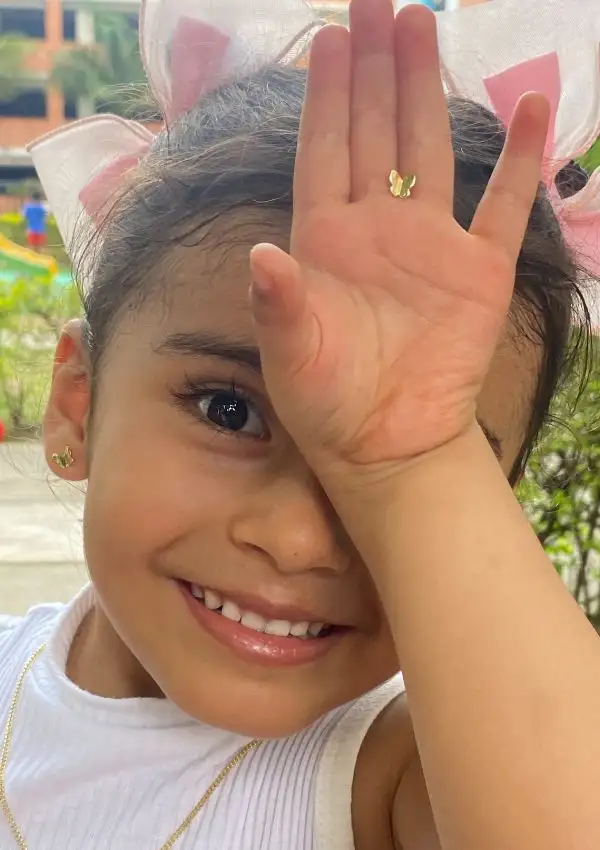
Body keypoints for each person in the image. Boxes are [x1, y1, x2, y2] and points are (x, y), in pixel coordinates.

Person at [1, 0, 600, 848]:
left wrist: (414, 467)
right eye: (230, 409)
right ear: (77, 405)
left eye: (449, 455)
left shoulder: (395, 782)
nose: (297, 539)